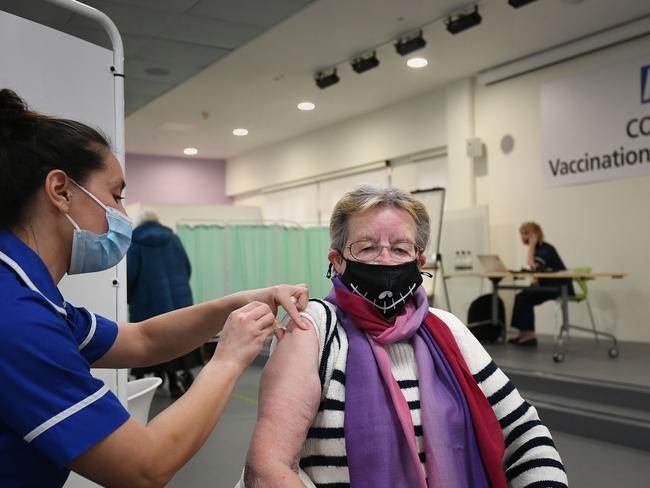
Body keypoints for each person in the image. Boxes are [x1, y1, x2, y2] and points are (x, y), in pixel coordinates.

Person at [0, 88, 309, 487]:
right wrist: (228, 358)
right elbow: (143, 467)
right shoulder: (15, 315)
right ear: (61, 191)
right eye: (115, 194)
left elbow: (143, 340)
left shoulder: (35, 297)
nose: (123, 215)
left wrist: (239, 301)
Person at [242, 186, 567, 488]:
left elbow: (524, 433)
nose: (385, 259)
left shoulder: (447, 330)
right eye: (367, 247)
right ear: (337, 261)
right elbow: (269, 466)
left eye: (400, 249)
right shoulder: (312, 330)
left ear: (419, 262)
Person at [127, 209, 204, 398]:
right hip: (180, 301)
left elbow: (130, 275)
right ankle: (182, 374)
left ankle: (167, 379)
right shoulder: (173, 239)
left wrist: (130, 297)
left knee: (155, 338)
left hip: (149, 303)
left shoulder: (135, 243)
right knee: (179, 337)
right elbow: (187, 268)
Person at [508, 222, 574, 347]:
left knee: (524, 298)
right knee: (521, 296)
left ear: (536, 234)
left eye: (526, 233)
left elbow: (531, 266)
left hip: (560, 287)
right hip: (548, 285)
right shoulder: (539, 249)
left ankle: (529, 336)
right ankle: (523, 333)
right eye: (521, 234)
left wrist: (531, 245)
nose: (523, 237)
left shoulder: (545, 249)